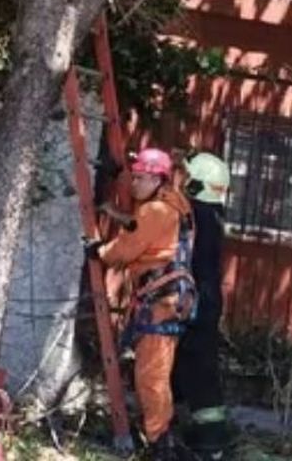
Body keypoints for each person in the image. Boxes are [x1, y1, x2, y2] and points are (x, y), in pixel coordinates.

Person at [87, 147, 196, 460]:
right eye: (133, 177)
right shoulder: (177, 206)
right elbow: (140, 232)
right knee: (156, 374)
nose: (134, 184)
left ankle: (161, 443)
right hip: (171, 299)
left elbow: (129, 247)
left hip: (161, 302)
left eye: (139, 178)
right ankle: (161, 435)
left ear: (156, 179)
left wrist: (100, 252)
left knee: (151, 376)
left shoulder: (156, 211)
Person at [174, 152, 231, 460]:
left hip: (195, 299)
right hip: (206, 299)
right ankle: (206, 437)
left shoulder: (195, 216)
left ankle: (209, 441)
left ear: (195, 185)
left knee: (195, 367)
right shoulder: (213, 215)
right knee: (197, 366)